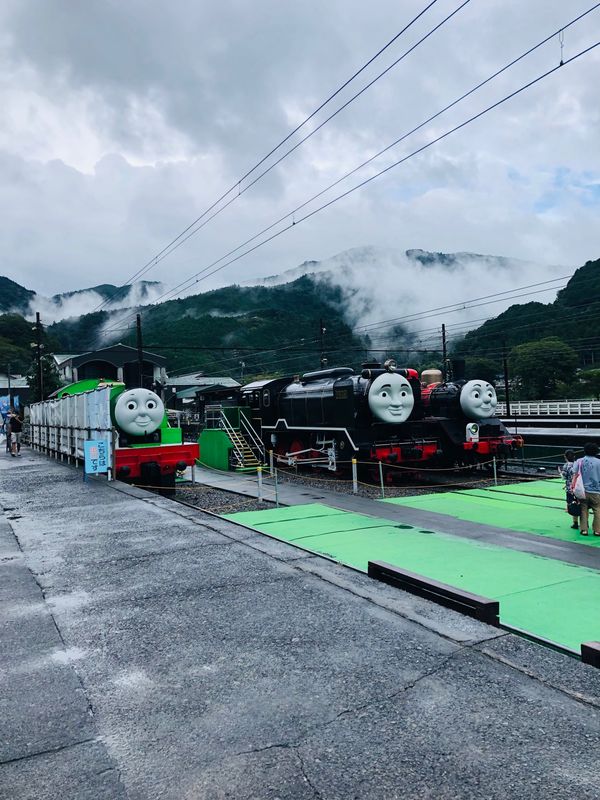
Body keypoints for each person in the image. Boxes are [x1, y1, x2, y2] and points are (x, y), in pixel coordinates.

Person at [572, 442, 600, 536]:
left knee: (583, 509)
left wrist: (572, 486)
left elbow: (575, 474)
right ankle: (597, 530)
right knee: (597, 509)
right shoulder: (599, 462)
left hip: (582, 490)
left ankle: (584, 529)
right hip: (596, 491)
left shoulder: (579, 461)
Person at [559, 449, 580, 529]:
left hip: (570, 488)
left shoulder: (566, 465)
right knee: (582, 505)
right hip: (579, 487)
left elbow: (564, 477)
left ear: (565, 457)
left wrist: (560, 473)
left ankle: (575, 523)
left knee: (573, 505)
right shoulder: (577, 464)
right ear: (574, 456)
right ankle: (585, 522)